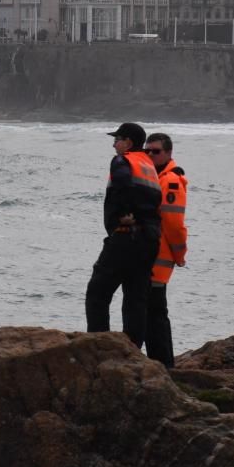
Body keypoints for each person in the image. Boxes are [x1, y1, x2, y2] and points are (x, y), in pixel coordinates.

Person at [85, 122, 162, 348]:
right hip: (149, 240)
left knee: (97, 293)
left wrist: (126, 214)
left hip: (126, 236)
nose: (114, 144)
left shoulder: (123, 160)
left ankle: (98, 347)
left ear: (128, 142)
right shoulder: (149, 165)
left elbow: (121, 183)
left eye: (117, 139)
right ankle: (132, 351)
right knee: (135, 299)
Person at [143, 133, 188, 368]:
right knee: (149, 313)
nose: (150, 154)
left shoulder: (170, 180)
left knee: (156, 314)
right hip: (149, 257)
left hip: (158, 259)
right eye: (147, 150)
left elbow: (173, 224)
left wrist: (179, 255)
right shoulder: (154, 176)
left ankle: (164, 365)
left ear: (169, 153)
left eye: (156, 151)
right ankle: (159, 362)